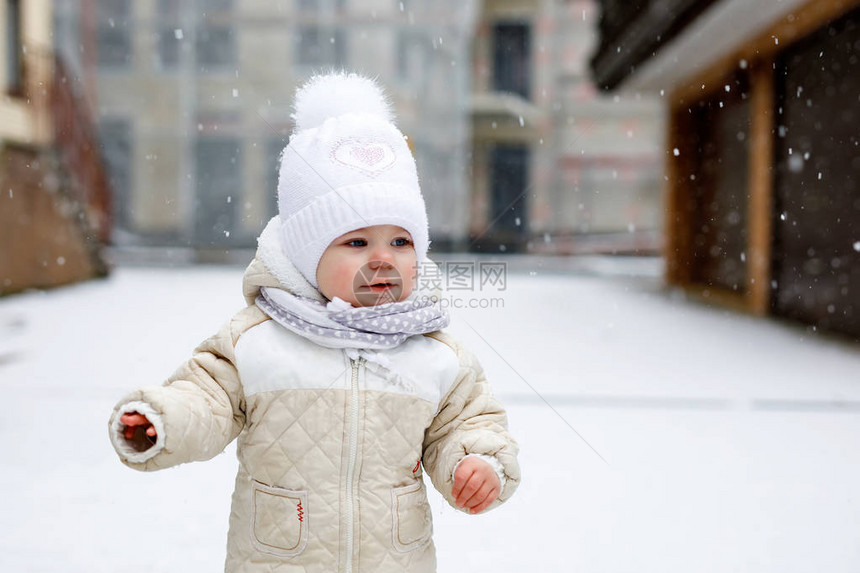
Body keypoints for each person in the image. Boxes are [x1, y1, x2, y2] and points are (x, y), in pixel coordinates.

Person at [108, 71, 520, 573]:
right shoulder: (257, 341)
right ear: (306, 256)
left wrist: (477, 463)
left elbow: (466, 424)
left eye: (400, 241)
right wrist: (163, 420)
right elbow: (206, 399)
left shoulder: (436, 354)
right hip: (278, 558)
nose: (383, 259)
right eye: (355, 242)